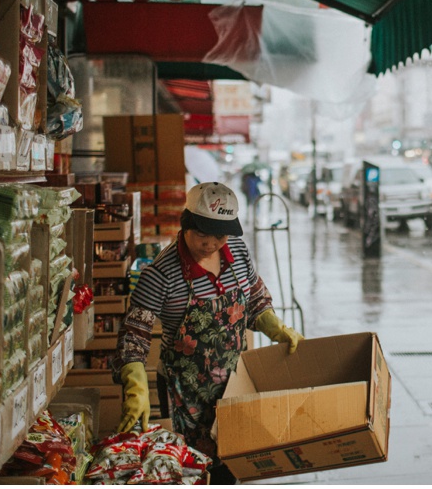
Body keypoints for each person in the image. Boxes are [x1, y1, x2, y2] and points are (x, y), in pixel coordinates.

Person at [112, 182, 304, 484]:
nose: (212, 243)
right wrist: (136, 386)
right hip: (187, 393)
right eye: (204, 233)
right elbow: (133, 335)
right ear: (186, 223)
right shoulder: (161, 274)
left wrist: (274, 327)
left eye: (220, 234)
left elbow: (254, 297)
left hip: (236, 381)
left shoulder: (238, 251)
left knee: (237, 461)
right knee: (199, 469)